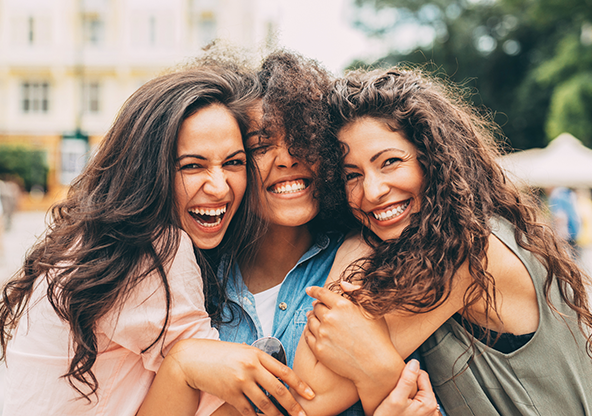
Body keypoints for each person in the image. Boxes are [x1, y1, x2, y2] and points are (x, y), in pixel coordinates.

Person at [0, 65, 314, 416]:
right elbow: (232, 402)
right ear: (147, 170)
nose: (219, 186)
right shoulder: (151, 249)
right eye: (192, 166)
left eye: (234, 162)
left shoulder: (97, 240)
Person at [297, 67, 592, 415]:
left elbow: (312, 394)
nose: (372, 191)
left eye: (390, 162)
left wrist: (353, 242)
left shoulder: (466, 253)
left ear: (434, 159)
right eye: (352, 176)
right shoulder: (479, 230)